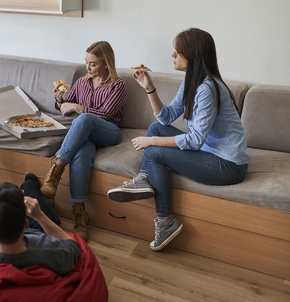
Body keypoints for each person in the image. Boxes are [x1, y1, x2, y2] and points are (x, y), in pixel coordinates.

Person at [107, 28, 250, 251]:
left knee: (154, 150)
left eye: (177, 51)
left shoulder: (207, 88)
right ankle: (144, 177)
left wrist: (151, 142)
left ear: (192, 54)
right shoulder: (192, 81)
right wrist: (149, 88)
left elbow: (194, 141)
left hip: (229, 165)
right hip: (211, 153)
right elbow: (165, 118)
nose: (172, 55)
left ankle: (165, 221)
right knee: (156, 127)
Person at [39, 41, 127, 241]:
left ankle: (57, 167)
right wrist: (60, 100)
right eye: (86, 62)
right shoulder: (81, 82)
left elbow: (104, 114)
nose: (88, 68)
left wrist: (79, 108)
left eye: (93, 64)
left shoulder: (118, 85)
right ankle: (79, 211)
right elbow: (64, 105)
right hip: (86, 135)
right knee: (83, 149)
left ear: (106, 63)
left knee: (84, 118)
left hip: (109, 131)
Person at [0, 174, 81, 275]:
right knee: (29, 183)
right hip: (37, 231)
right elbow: (74, 247)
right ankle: (29, 183)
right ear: (26, 224)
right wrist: (39, 215)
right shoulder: (53, 252)